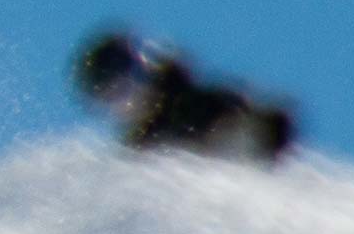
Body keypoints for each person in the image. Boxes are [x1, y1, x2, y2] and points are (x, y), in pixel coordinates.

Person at [72, 28, 301, 162]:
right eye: (106, 99)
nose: (120, 104)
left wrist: (249, 134)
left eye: (119, 91)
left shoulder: (196, 106)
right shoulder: (137, 144)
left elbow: (275, 123)